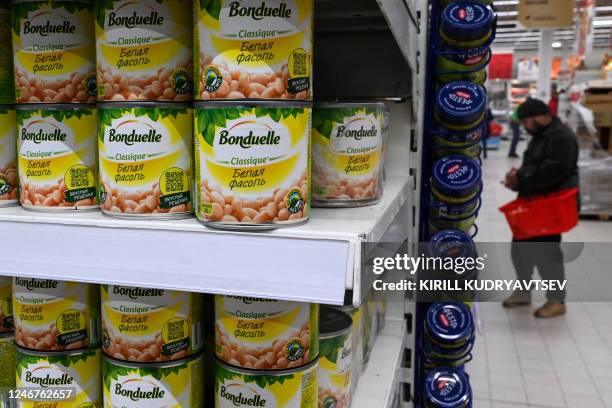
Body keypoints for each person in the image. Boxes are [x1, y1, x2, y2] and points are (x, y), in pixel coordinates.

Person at [502, 98, 579, 318]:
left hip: (550, 204)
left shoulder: (562, 137)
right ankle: (523, 291)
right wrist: (518, 177)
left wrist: (522, 176)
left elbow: (556, 170)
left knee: (547, 252)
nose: (525, 125)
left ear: (539, 115)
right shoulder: (541, 136)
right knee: (520, 249)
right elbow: (536, 166)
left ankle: (556, 301)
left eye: (526, 121)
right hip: (533, 201)